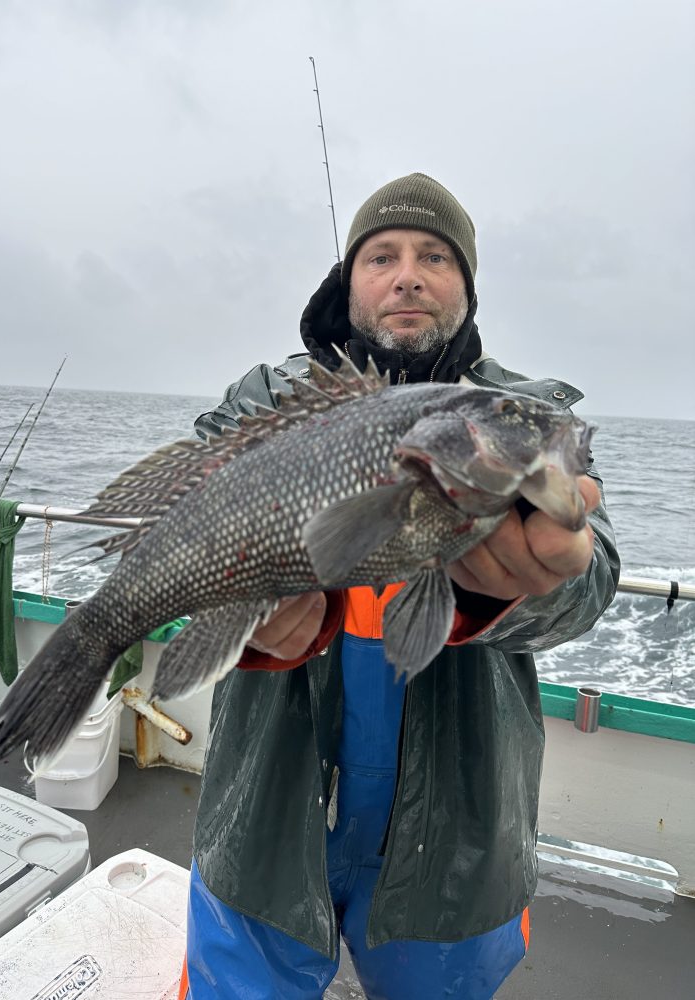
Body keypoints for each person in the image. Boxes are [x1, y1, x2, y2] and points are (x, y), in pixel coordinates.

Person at [180, 173, 619, 999]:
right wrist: (236, 607)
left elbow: (591, 575)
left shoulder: (523, 416)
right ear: (348, 284)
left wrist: (526, 585)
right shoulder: (264, 403)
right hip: (270, 808)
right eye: (381, 255)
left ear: (468, 285)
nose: (407, 274)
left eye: (435, 257)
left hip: (456, 836)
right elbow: (194, 519)